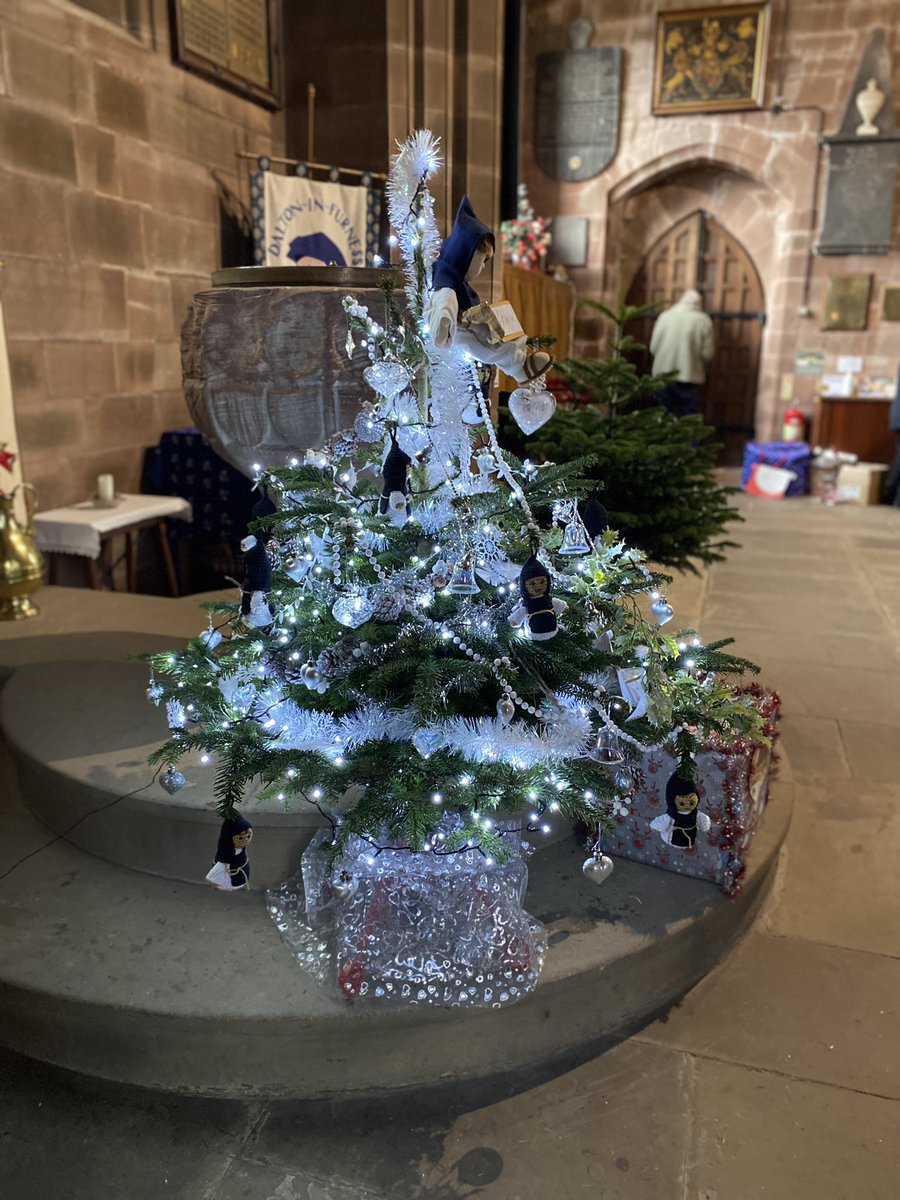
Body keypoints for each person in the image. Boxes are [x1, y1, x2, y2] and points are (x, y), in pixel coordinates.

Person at [649, 288, 715, 417]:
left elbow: (653, 347)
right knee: (688, 420)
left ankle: (664, 437)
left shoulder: (665, 316)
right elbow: (708, 353)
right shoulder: (703, 320)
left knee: (663, 416)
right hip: (689, 376)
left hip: (663, 375)